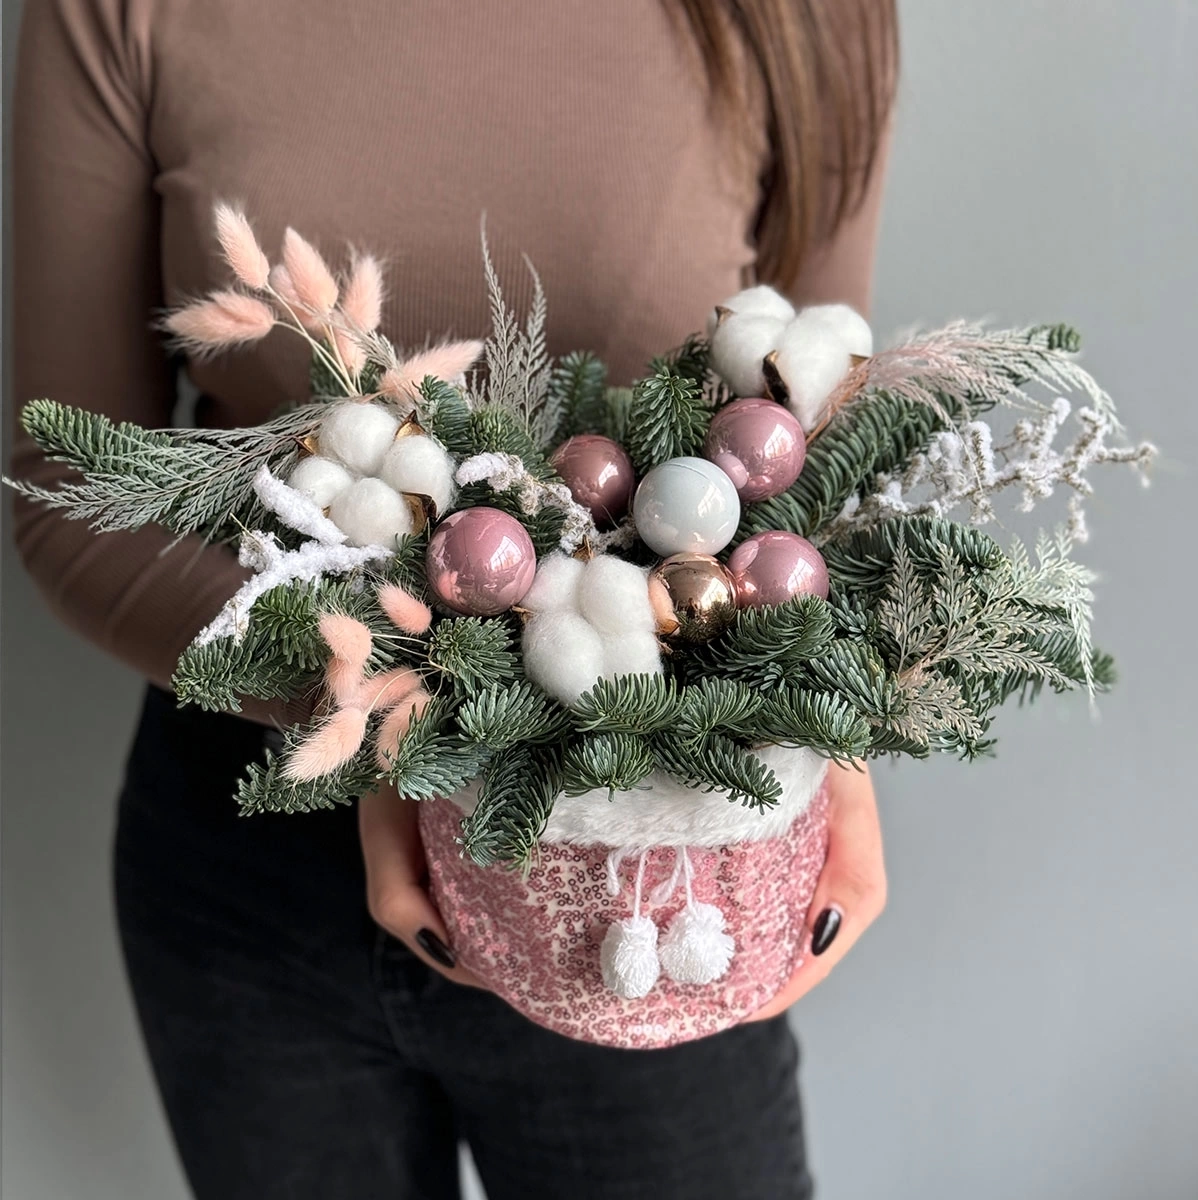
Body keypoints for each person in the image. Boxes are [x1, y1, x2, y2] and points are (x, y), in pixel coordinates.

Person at [11, 2, 896, 1196]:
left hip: (643, 867)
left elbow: (818, 454)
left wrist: (835, 748)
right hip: (254, 861)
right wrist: (382, 715)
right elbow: (71, 489)